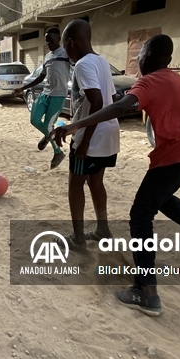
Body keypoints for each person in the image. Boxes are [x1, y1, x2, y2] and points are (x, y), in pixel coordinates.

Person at [51, 34, 180, 317]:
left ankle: (146, 292)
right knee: (158, 198)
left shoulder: (148, 81)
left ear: (145, 58)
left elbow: (118, 107)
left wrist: (75, 126)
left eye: (139, 57)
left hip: (175, 155)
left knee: (140, 214)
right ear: (169, 60)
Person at [58, 19, 120, 249]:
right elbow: (111, 98)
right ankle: (103, 229)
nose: (66, 51)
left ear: (71, 43)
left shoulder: (83, 65)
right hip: (108, 133)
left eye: (65, 46)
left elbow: (97, 101)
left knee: (75, 185)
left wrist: (84, 141)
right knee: (96, 182)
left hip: (91, 137)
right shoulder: (101, 61)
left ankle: (78, 238)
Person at [13, 26, 70, 169]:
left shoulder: (66, 54)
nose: (48, 43)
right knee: (34, 119)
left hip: (58, 95)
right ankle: (49, 134)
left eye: (51, 40)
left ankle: (58, 152)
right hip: (46, 93)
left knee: (49, 125)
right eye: (46, 41)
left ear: (59, 39)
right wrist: (22, 88)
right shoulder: (48, 56)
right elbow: (41, 77)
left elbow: (77, 69)